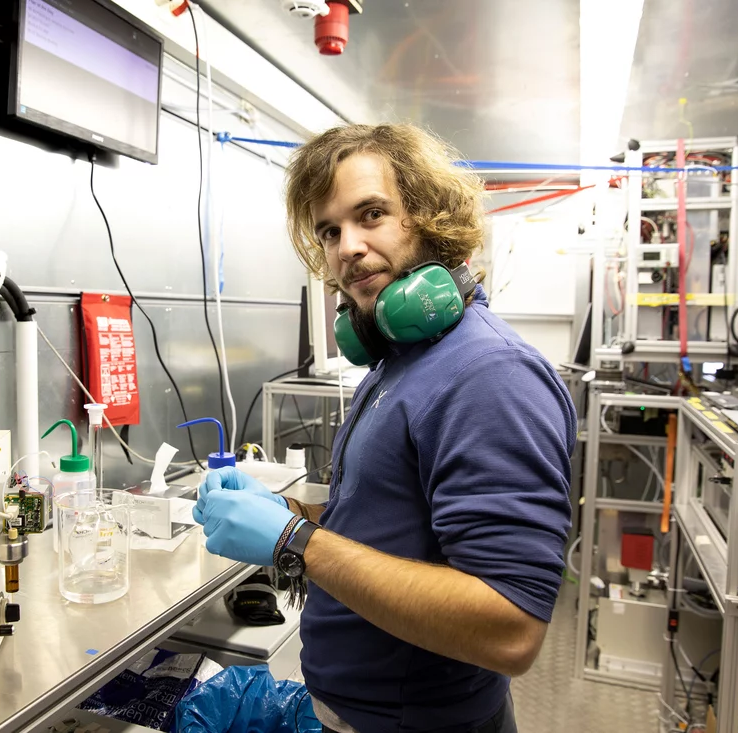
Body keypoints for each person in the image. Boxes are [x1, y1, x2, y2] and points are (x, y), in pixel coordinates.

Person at [193, 124, 575, 733]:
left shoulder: (488, 374)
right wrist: (290, 510)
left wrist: (295, 540)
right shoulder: (401, 361)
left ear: (429, 218)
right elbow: (392, 526)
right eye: (329, 230)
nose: (347, 246)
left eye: (371, 214)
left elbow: (510, 628)